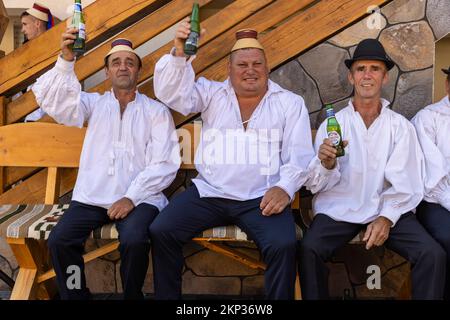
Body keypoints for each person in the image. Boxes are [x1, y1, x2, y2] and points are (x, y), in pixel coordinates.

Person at [150, 21, 315, 300]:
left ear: (267, 68)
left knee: (283, 244)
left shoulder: (289, 102)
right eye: (242, 64)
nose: (250, 70)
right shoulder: (211, 93)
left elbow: (299, 155)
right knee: (161, 230)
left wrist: (285, 188)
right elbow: (169, 93)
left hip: (260, 198)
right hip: (210, 193)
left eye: (257, 64)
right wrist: (179, 52)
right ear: (229, 70)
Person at [32, 30, 180, 299]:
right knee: (60, 241)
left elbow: (165, 163)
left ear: (138, 70)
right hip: (92, 196)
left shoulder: (156, 111)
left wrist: (130, 197)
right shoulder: (92, 104)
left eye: (129, 62)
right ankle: (76, 295)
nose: (123, 67)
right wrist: (66, 60)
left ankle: (132, 296)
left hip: (140, 198)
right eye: (116, 62)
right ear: (107, 72)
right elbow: (53, 101)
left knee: (135, 240)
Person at [299, 38, 446, 300]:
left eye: (375, 69)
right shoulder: (334, 124)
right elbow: (315, 185)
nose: (367, 75)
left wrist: (387, 217)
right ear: (351, 77)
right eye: (361, 69)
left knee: (432, 254)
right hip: (340, 209)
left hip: (386, 209)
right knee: (309, 249)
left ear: (385, 77)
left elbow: (407, 182)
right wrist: (327, 164)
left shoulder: (400, 126)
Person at [411, 66, 450, 300]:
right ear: (447, 85)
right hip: (435, 200)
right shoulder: (429, 118)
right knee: (447, 237)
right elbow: (432, 179)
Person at [19, 2, 55, 122]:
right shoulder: (24, 49)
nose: (22, 30)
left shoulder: (55, 47)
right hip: (29, 115)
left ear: (38, 23)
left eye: (25, 24)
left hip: (49, 116)